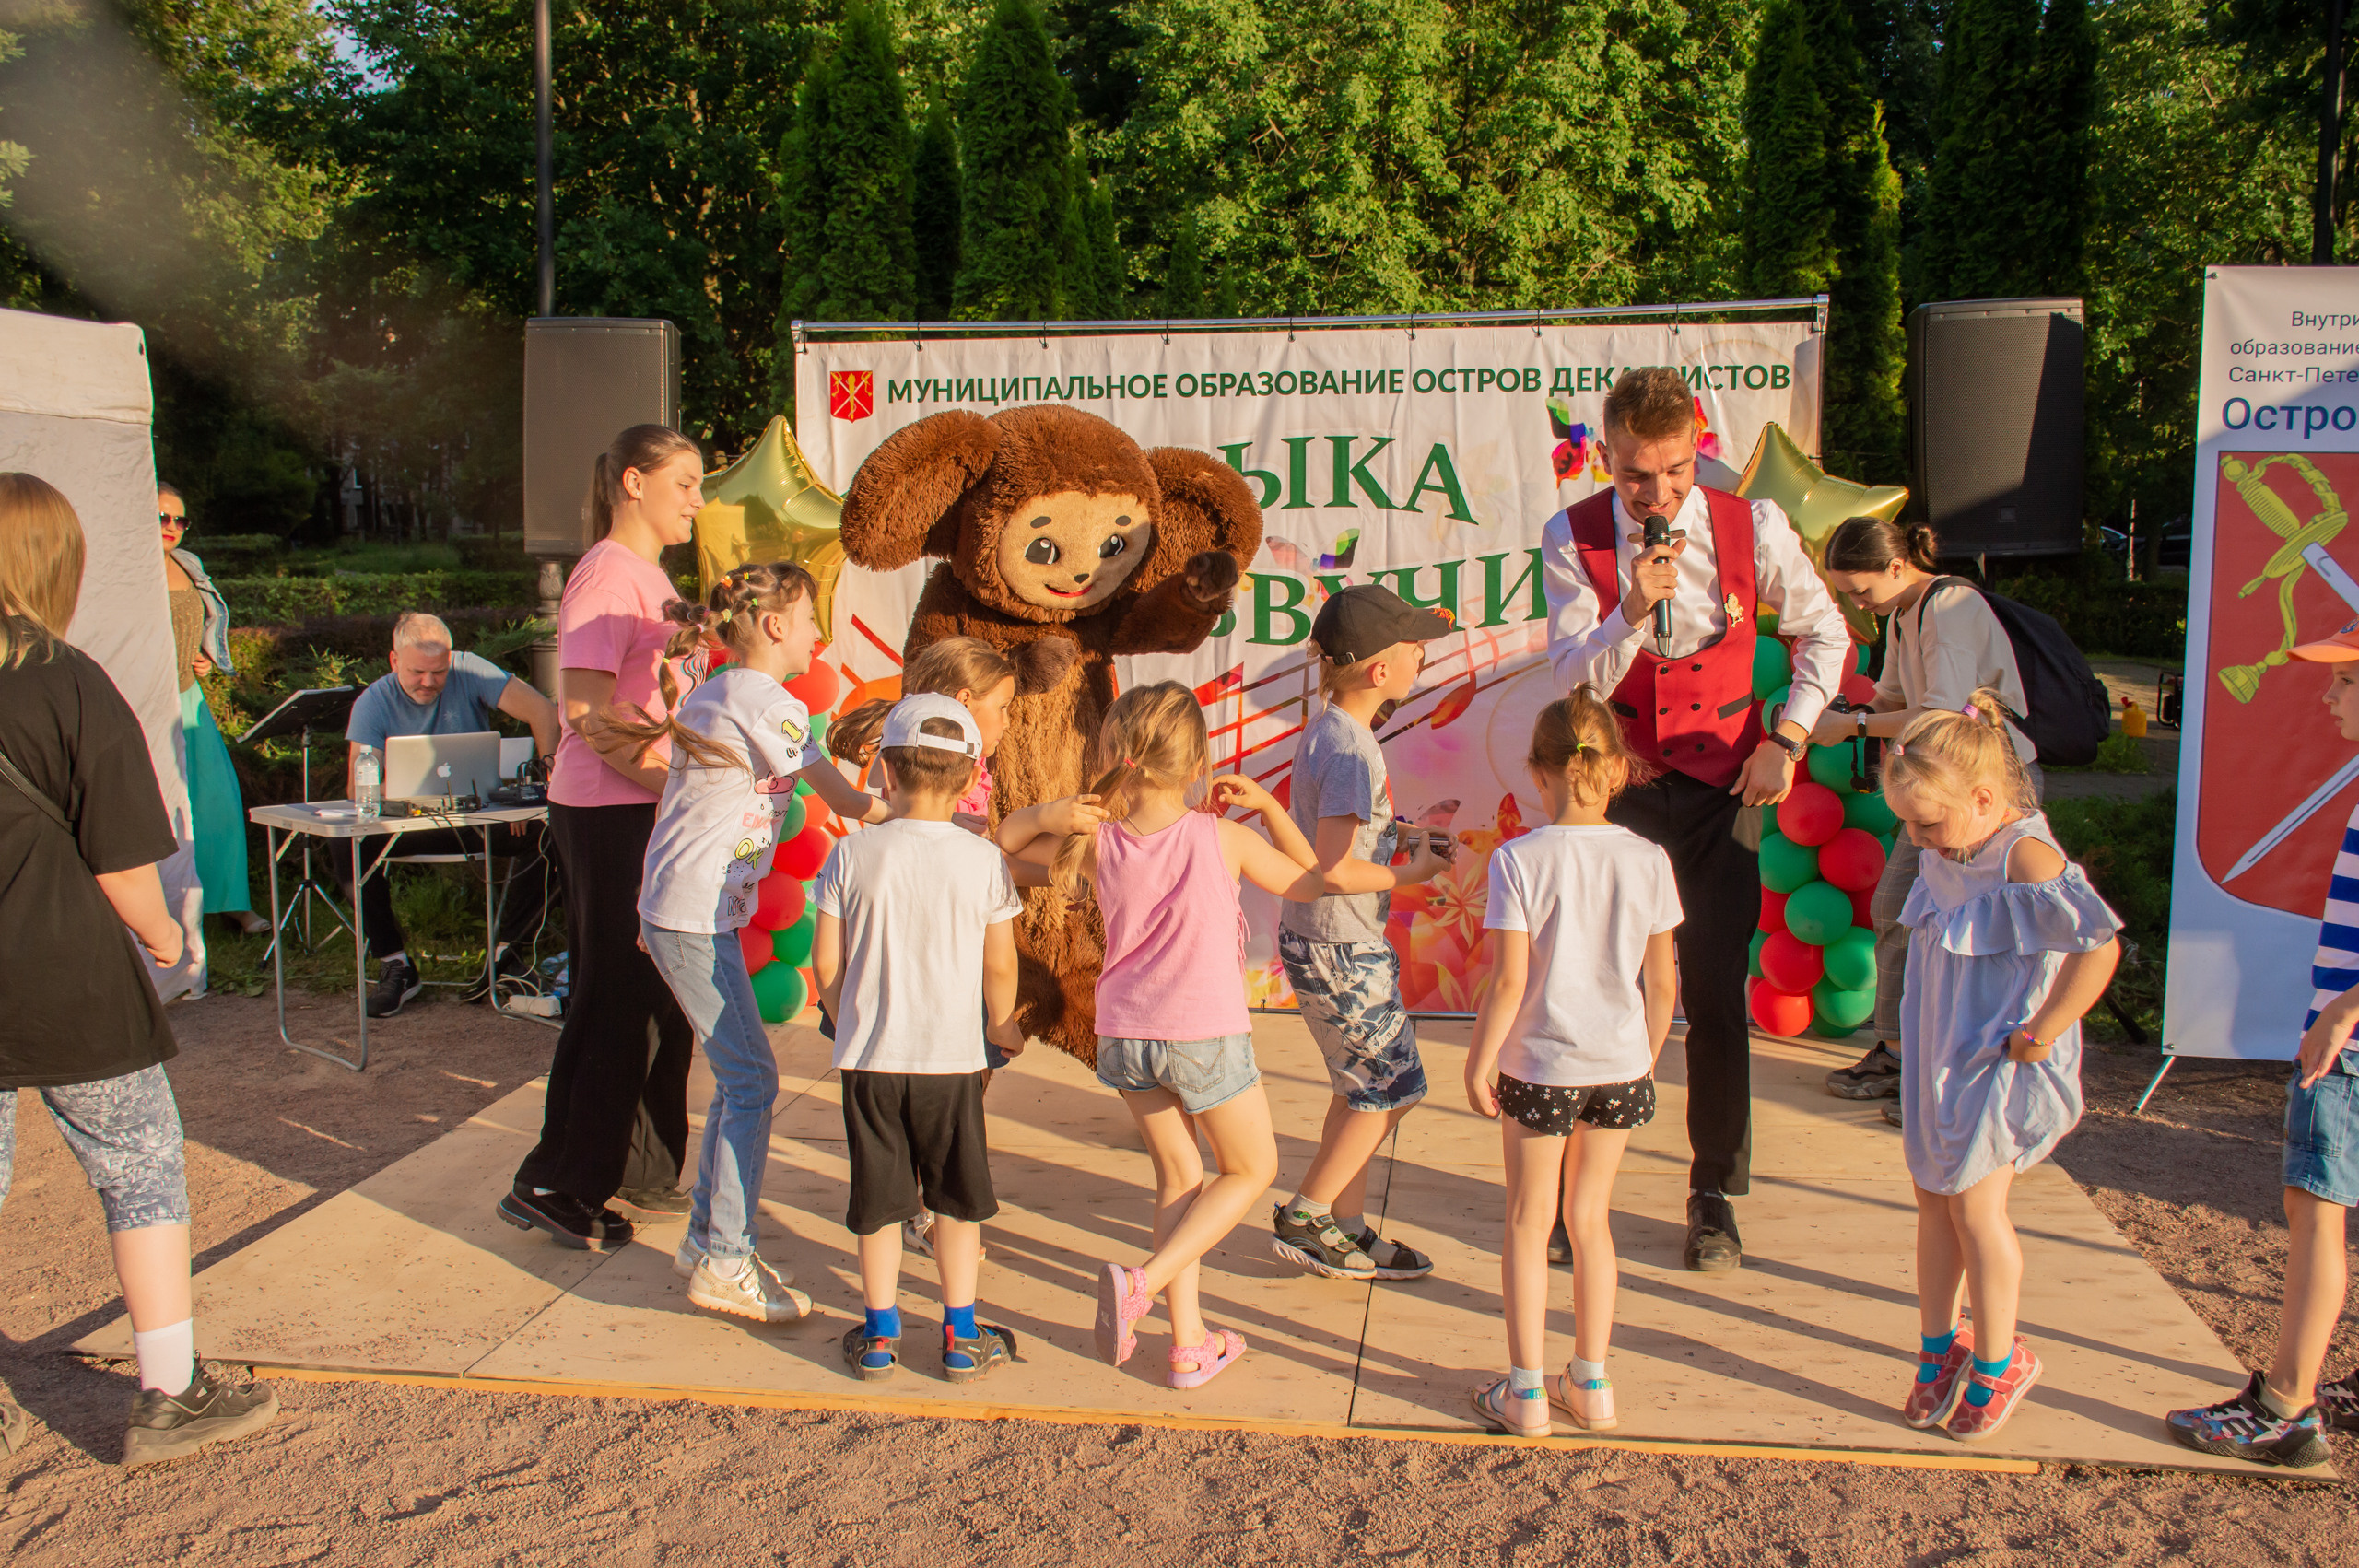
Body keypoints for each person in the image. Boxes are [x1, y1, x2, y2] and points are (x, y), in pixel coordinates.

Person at [506, 425, 885, 1249]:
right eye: (683, 484)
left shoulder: (649, 579)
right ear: (632, 484)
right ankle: (558, 1180)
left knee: (658, 1000)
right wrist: (683, 782)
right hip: (607, 811)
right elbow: (583, 716)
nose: (697, 500)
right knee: (613, 997)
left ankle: (640, 1168)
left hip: (644, 806)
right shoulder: (603, 577)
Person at [1540, 366, 1852, 1274]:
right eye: (1638, 475)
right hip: (1623, 790)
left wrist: (1787, 739)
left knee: (1716, 996)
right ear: (1607, 458)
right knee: (1602, 990)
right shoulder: (1575, 537)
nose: (1658, 492)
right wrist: (1629, 610)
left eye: (1674, 470)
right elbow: (1573, 682)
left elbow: (1823, 634)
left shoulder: (1749, 524)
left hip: (1727, 790)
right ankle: (1577, 1194)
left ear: (1696, 448)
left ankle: (1712, 1189)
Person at [0, 472, 276, 1466]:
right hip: (64, 971)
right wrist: (165, 936)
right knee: (140, 1163)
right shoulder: (67, 678)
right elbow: (122, 859)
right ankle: (170, 1391)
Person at [1015, 682, 1320, 1387]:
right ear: (1197, 763)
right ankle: (1142, 1284)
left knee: (1181, 1179)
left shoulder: (1100, 846)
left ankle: (1189, 1347)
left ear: (1118, 754)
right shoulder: (1226, 836)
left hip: (1126, 1035)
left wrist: (1046, 815)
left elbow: (1009, 857)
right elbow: (1311, 882)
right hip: (1202, 1032)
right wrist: (1271, 805)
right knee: (1252, 1170)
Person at [1882, 695, 2118, 1442]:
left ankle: (1998, 1358)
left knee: (1977, 1208)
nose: (1916, 838)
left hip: (1996, 1051)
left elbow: (2099, 945)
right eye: (1908, 823)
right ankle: (1936, 1347)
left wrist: (2046, 1030)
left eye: (1928, 822)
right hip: (1939, 1047)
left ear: (1983, 799)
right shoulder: (1944, 847)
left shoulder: (2025, 855)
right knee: (1932, 1197)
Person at [2165, 623, 2359, 1467]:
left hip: (2346, 1051)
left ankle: (2286, 1405)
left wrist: (2345, 1009)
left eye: (2346, 680)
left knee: (2316, 1210)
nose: (2329, 695)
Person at [1463, 687, 1681, 1437]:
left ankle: (1526, 1393)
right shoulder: (1650, 860)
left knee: (1529, 1222)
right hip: (1619, 1066)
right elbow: (1663, 985)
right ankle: (1590, 1383)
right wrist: (1642, 1061)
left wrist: (1479, 1060)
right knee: (1592, 1221)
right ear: (1617, 770)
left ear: (1538, 772)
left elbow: (1510, 982)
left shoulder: (1519, 859)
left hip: (1540, 1065)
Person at [615, 564, 827, 1326]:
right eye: (809, 619)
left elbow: (695, 811)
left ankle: (709, 1241)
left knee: (744, 1079)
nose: (818, 635)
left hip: (694, 911)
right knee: (753, 1083)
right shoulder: (763, 699)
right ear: (774, 626)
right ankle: (726, 1258)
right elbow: (842, 795)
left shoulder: (719, 692)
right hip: (693, 916)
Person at [812, 695, 1026, 1385]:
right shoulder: (984, 860)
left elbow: (824, 966)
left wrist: (848, 1018)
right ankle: (961, 1334)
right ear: (970, 781)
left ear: (884, 772)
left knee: (879, 1202)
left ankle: (880, 1336)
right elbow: (1000, 964)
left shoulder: (851, 853)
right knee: (955, 1202)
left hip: (869, 1062)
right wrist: (1002, 1022)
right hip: (953, 1063)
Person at [1811, 515, 2041, 1109]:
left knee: (1971, 930)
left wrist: (1855, 724)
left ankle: (1958, 1072)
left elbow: (1942, 713)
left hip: (1985, 790)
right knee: (1899, 910)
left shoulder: (1950, 605)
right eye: (1848, 595)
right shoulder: (1907, 613)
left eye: (1862, 589)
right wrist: (1827, 711)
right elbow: (1893, 697)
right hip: (1944, 786)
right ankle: (1902, 1053)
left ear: (1897, 566)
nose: (1859, 603)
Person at [1269, 584, 1457, 1282]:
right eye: (1414, 648)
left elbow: (1341, 835)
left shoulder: (1332, 731)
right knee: (1395, 1087)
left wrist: (1399, 833)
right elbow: (1337, 868)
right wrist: (1413, 873)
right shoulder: (1351, 749)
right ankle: (1309, 1213)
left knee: (1363, 1090)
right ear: (1381, 671)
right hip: (1341, 945)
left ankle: (1343, 1228)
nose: (1420, 656)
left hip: (1327, 941)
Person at [340, 610, 561, 1016]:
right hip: (410, 826)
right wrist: (405, 788)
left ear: (452, 658)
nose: (429, 682)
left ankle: (508, 957)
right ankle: (395, 964)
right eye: (417, 672)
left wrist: (540, 786)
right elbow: (359, 788)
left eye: (438, 672)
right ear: (393, 662)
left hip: (479, 819)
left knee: (553, 833)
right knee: (346, 846)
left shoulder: (469, 669)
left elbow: (544, 713)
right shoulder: (373, 701)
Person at [158, 483, 264, 938]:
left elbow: (203, 621)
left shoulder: (188, 564)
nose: (171, 527)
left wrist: (205, 656)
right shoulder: (128, 571)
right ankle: (172, 912)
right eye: (161, 517)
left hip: (190, 697)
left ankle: (232, 903)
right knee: (165, 804)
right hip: (150, 700)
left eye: (179, 520)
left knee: (217, 799)